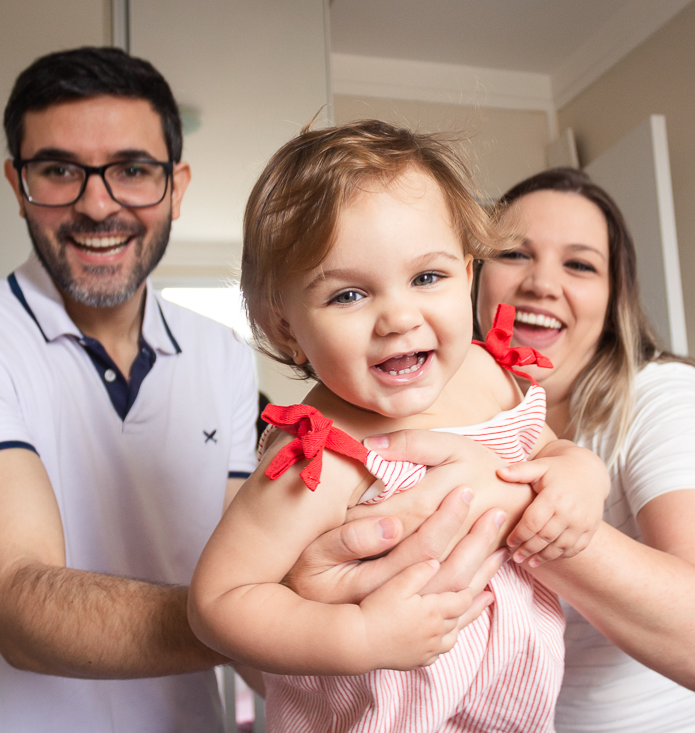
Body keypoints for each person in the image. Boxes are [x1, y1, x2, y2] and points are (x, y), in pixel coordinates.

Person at [0, 48, 506, 733]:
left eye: (132, 170)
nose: (98, 202)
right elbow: (18, 607)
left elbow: (272, 547)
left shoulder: (217, 353)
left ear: (177, 185)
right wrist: (300, 611)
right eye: (59, 170)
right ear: (17, 182)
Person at [189, 123, 609, 733]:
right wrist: (358, 635)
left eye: (427, 278)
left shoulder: (488, 373)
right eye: (349, 294)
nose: (399, 317)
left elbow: (545, 450)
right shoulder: (321, 455)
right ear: (286, 329)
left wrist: (581, 472)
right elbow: (219, 602)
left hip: (510, 709)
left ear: (468, 274)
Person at [367, 166, 695, 731]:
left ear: (613, 298)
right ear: (473, 275)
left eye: (579, 264)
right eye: (514, 254)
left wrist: (508, 504)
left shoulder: (659, 394)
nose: (541, 284)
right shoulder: (427, 409)